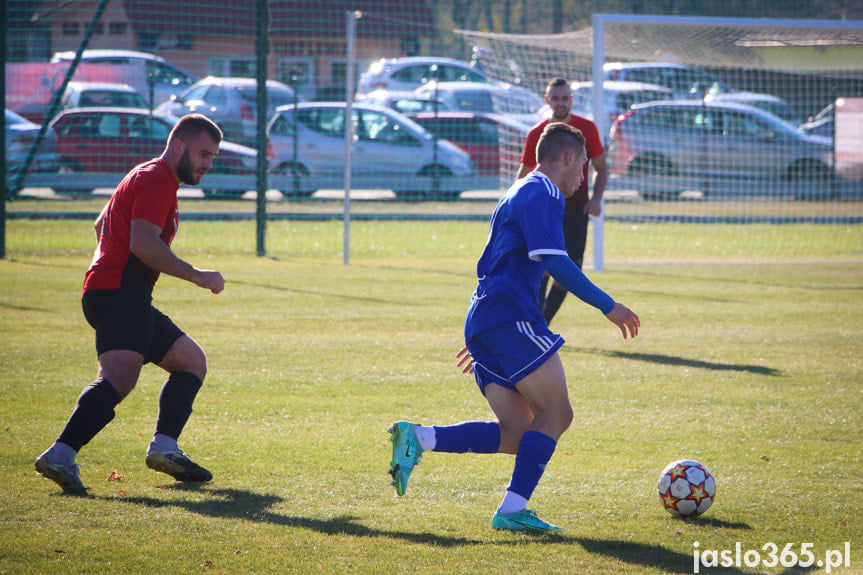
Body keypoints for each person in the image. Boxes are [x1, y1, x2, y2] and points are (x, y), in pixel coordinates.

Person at [388, 123, 639, 532]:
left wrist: (488, 334)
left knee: (519, 433)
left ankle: (419, 438)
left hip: (491, 318)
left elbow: (503, 262)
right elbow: (556, 263)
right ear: (569, 158)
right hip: (509, 316)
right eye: (584, 170)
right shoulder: (543, 192)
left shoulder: (519, 189)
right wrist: (608, 306)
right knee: (556, 413)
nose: (584, 179)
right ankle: (511, 511)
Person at [35, 113, 226, 495]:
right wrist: (198, 275)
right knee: (119, 378)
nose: (208, 164)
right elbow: (143, 244)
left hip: (121, 291)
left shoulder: (148, 175)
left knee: (190, 362)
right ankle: (60, 455)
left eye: (212, 157)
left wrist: (108, 258)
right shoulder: (157, 179)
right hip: (119, 291)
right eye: (203, 154)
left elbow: (101, 224)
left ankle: (165, 448)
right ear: (178, 146)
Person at [516, 77, 609, 324]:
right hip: (544, 211)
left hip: (576, 212)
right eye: (555, 98)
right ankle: (536, 325)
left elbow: (602, 167)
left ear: (571, 100)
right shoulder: (536, 133)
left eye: (564, 98)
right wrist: (514, 204)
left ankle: (541, 323)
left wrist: (596, 199)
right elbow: (524, 173)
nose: (560, 103)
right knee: (541, 265)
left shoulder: (586, 129)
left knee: (569, 272)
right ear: (547, 100)